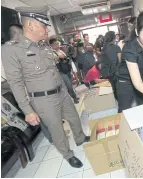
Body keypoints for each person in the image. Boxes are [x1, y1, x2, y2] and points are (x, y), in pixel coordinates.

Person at [2, 6, 90, 168]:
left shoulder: (42, 46)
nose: (47, 29)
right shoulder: (11, 50)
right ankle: (68, 154)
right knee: (57, 130)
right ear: (30, 26)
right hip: (43, 100)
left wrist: (65, 90)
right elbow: (15, 82)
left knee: (74, 118)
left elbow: (53, 70)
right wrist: (28, 110)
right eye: (43, 25)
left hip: (61, 92)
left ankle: (80, 138)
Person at [49, 38, 79, 104]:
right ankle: (74, 98)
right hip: (61, 71)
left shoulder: (61, 50)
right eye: (55, 44)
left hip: (67, 70)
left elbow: (66, 58)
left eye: (58, 43)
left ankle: (74, 96)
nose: (57, 45)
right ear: (51, 45)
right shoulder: (52, 52)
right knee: (68, 85)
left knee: (70, 85)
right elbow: (61, 57)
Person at [101, 31, 121, 100]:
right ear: (113, 37)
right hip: (117, 72)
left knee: (114, 88)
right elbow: (120, 61)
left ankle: (117, 100)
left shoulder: (103, 49)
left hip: (108, 72)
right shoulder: (116, 47)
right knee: (120, 88)